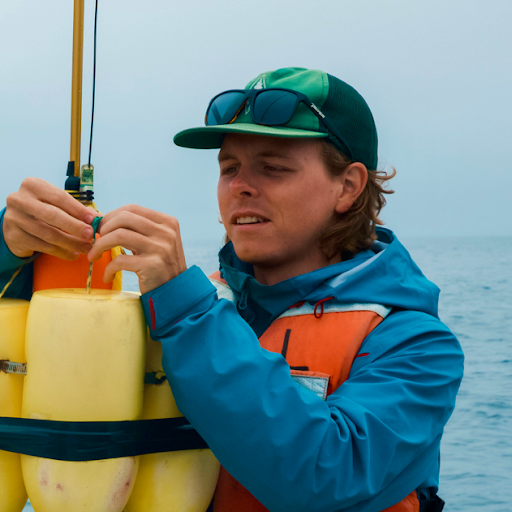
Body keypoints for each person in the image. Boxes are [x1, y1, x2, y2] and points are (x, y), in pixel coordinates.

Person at [0, 67, 464, 512]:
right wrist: (12, 250)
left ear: (348, 186)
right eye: (229, 167)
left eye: (273, 168)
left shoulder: (418, 347)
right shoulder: (188, 310)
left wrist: (186, 309)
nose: (240, 187)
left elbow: (327, 474)